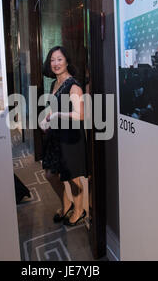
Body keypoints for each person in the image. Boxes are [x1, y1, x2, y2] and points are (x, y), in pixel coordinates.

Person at [41, 46, 88, 227]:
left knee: (72, 178)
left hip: (70, 137)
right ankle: (66, 203)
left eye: (59, 59)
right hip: (56, 135)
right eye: (52, 60)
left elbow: (80, 115)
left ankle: (79, 210)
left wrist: (57, 115)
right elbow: (56, 109)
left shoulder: (73, 85)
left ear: (67, 61)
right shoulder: (55, 84)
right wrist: (48, 118)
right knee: (50, 174)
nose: (56, 63)